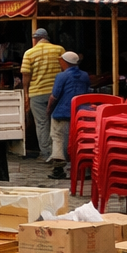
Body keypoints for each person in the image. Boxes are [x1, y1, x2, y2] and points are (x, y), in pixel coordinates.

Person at [20, 28, 65, 163]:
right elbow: (65, 70)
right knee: (56, 122)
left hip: (37, 93)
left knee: (41, 124)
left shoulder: (29, 53)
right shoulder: (59, 50)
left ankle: (46, 153)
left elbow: (26, 75)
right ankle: (58, 152)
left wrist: (26, 93)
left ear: (35, 39)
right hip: (56, 93)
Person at [47, 51, 90, 180]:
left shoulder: (61, 76)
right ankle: (85, 169)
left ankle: (58, 169)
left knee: (57, 137)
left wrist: (49, 109)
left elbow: (54, 96)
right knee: (81, 140)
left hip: (63, 112)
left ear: (65, 62)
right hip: (81, 112)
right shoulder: (85, 76)